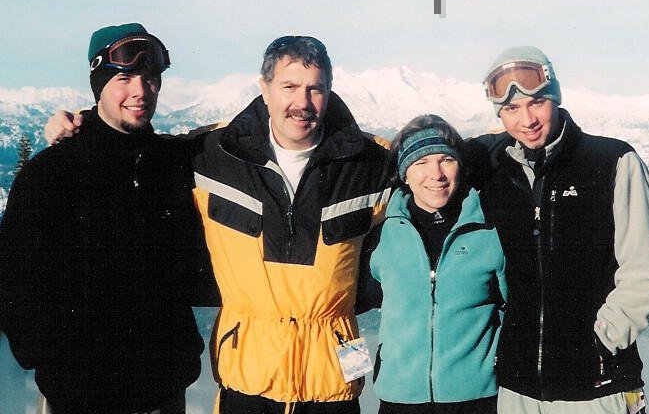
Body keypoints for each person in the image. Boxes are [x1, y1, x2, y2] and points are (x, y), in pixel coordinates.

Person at [0, 23, 217, 413]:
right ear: (99, 84)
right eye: (125, 78)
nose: (140, 91)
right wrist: (51, 361)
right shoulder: (52, 172)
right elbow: (14, 278)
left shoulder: (172, 163)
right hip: (80, 396)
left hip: (162, 393)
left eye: (150, 78)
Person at [189, 35, 390, 413]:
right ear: (264, 89)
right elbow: (134, 151)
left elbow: (440, 175)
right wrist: (78, 128)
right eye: (289, 87)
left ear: (329, 92)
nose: (302, 103)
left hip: (334, 378)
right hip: (247, 374)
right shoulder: (211, 155)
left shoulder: (371, 165)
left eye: (316, 89)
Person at [478, 46, 649, 413]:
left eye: (537, 103)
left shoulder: (611, 162)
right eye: (511, 110)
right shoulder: (498, 173)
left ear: (556, 97)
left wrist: (601, 341)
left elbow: (645, 271)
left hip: (598, 386)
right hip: (519, 390)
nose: (527, 120)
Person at [357, 115, 507, 414]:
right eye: (421, 163)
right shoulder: (382, 235)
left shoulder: (489, 231)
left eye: (445, 160)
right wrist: (356, 375)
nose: (435, 174)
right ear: (404, 173)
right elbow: (342, 310)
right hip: (399, 399)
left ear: (460, 167)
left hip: (478, 399)